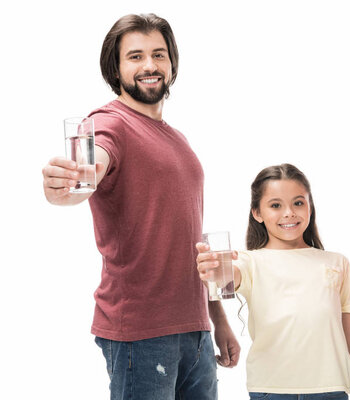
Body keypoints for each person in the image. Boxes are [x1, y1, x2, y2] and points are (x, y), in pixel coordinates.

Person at [41, 13, 239, 400]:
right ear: (115, 67)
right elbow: (87, 171)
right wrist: (60, 188)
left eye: (158, 55)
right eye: (135, 56)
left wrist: (217, 318)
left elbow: (189, 236)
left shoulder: (177, 139)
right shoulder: (107, 124)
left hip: (195, 329)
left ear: (171, 63)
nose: (149, 66)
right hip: (142, 334)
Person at [196, 164, 350, 400]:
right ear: (257, 213)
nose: (289, 213)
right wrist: (215, 269)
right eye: (276, 205)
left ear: (310, 206)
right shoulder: (249, 262)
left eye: (298, 203)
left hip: (330, 391)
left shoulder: (337, 263)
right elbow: (228, 276)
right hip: (271, 391)